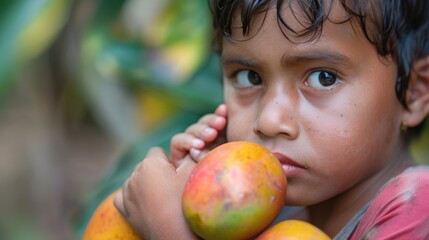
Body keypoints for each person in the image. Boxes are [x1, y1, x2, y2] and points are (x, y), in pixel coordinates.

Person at [114, 0, 429, 239]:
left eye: (323, 78)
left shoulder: (417, 207)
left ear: (414, 92)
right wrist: (206, 207)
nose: (269, 119)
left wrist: (170, 227)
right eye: (250, 77)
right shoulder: (270, 215)